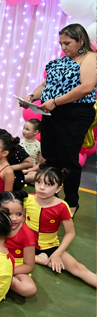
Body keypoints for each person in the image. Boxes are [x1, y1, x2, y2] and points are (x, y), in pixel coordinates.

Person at [19, 24, 96, 216]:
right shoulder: (62, 61)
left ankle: (71, 201)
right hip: (52, 113)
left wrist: (56, 101)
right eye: (61, 43)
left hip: (75, 113)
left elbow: (86, 87)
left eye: (67, 43)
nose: (63, 47)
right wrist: (31, 97)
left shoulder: (90, 58)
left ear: (82, 41)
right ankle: (47, 194)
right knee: (49, 156)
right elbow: (46, 84)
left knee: (68, 159)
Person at [24, 167, 96, 287]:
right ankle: (43, 260)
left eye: (48, 184)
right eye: (38, 182)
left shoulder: (62, 206)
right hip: (27, 244)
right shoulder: (27, 199)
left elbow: (70, 233)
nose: (42, 187)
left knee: (78, 268)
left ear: (58, 188)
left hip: (50, 246)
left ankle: (41, 258)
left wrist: (57, 253)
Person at [0, 191, 37, 297]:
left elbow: (28, 266)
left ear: (24, 213)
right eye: (8, 214)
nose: (13, 219)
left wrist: (5, 272)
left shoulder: (27, 234)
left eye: (19, 214)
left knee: (29, 289)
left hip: (16, 266)